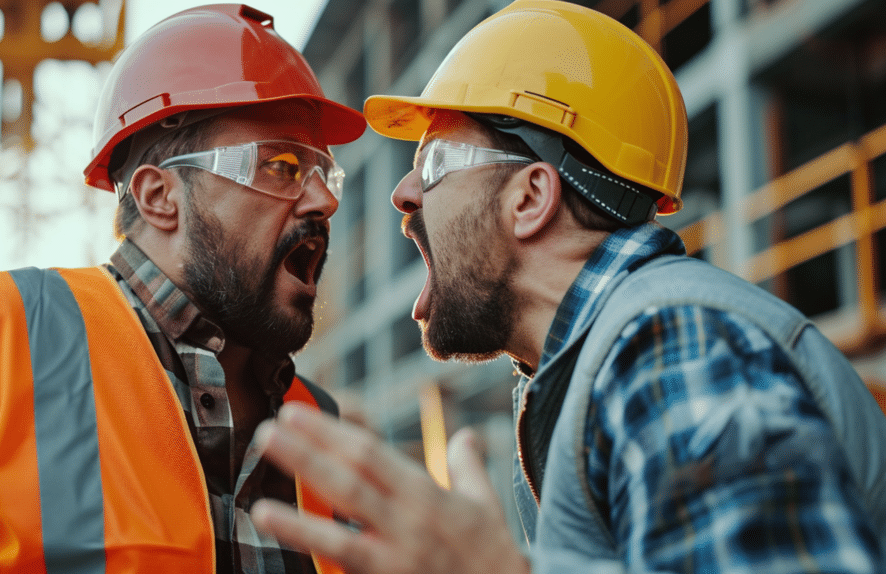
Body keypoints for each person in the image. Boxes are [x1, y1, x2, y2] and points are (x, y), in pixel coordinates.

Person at [250, 1, 886, 573]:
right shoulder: (613, 358)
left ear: (529, 197)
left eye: (436, 162)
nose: (404, 193)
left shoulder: (669, 343)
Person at [0, 4, 365, 572]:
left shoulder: (321, 431)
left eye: (324, 172)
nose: (324, 201)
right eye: (280, 166)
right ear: (158, 197)